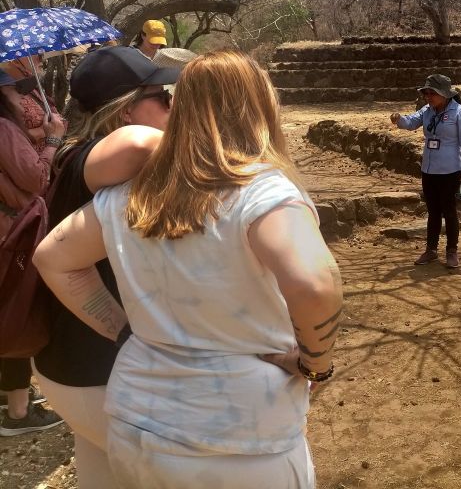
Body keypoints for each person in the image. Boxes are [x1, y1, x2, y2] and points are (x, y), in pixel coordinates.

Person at [35, 49, 343, 488]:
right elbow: (315, 284)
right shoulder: (261, 190)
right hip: (238, 435)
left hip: (136, 417)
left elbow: (54, 259)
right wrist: (317, 365)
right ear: (261, 104)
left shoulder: (130, 193)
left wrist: (124, 331)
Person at [32, 46, 176, 488]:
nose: (173, 107)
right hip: (94, 371)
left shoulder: (74, 155)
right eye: (164, 98)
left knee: (103, 475)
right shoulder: (100, 155)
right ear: (127, 109)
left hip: (73, 366)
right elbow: (138, 143)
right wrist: (123, 332)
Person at [0, 69, 65, 436]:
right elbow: (36, 178)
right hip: (14, 235)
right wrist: (54, 139)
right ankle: (19, 412)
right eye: (9, 89)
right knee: (18, 308)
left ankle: (8, 395)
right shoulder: (4, 128)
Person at [390, 74, 461, 269]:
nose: (428, 97)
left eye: (433, 93)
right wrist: (399, 119)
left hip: (450, 170)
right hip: (429, 169)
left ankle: (452, 251)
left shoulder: (460, 113)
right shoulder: (427, 111)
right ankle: (431, 250)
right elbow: (411, 122)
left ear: (445, 94)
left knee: (449, 210)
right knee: (433, 211)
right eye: (426, 93)